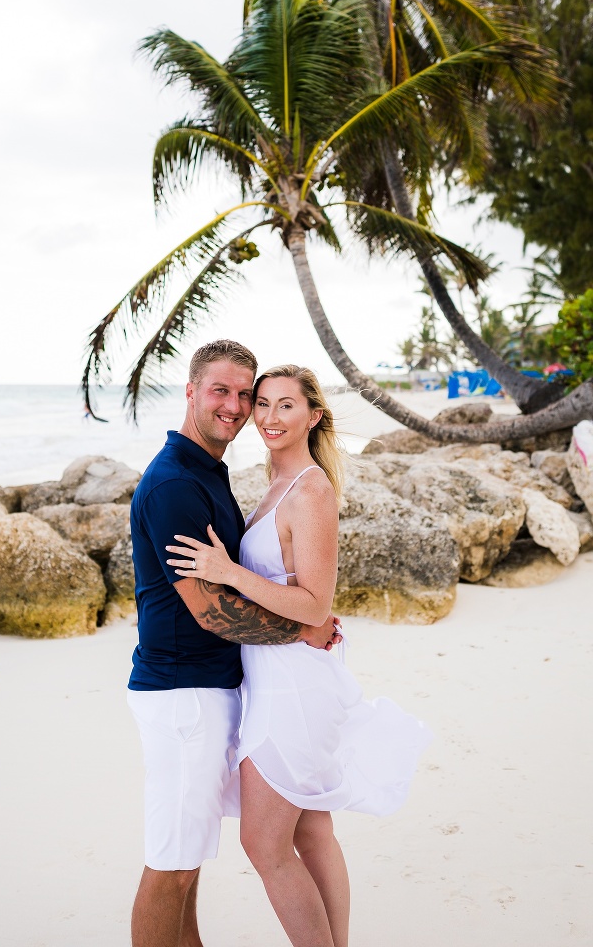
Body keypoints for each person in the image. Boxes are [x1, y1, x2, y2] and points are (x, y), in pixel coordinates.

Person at [168, 364, 433, 947]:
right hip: (274, 677)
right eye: (261, 403)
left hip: (294, 687)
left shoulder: (311, 489)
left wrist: (227, 572)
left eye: (285, 405)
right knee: (310, 830)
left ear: (313, 416)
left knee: (265, 844)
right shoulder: (276, 485)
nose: (267, 416)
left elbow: (315, 604)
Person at [127, 341, 341, 947]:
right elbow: (213, 610)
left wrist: (307, 618)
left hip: (214, 691)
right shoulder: (173, 486)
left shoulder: (209, 474)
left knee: (187, 865)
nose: (237, 405)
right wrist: (305, 627)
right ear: (191, 391)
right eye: (222, 390)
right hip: (182, 693)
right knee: (171, 864)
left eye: (246, 394)